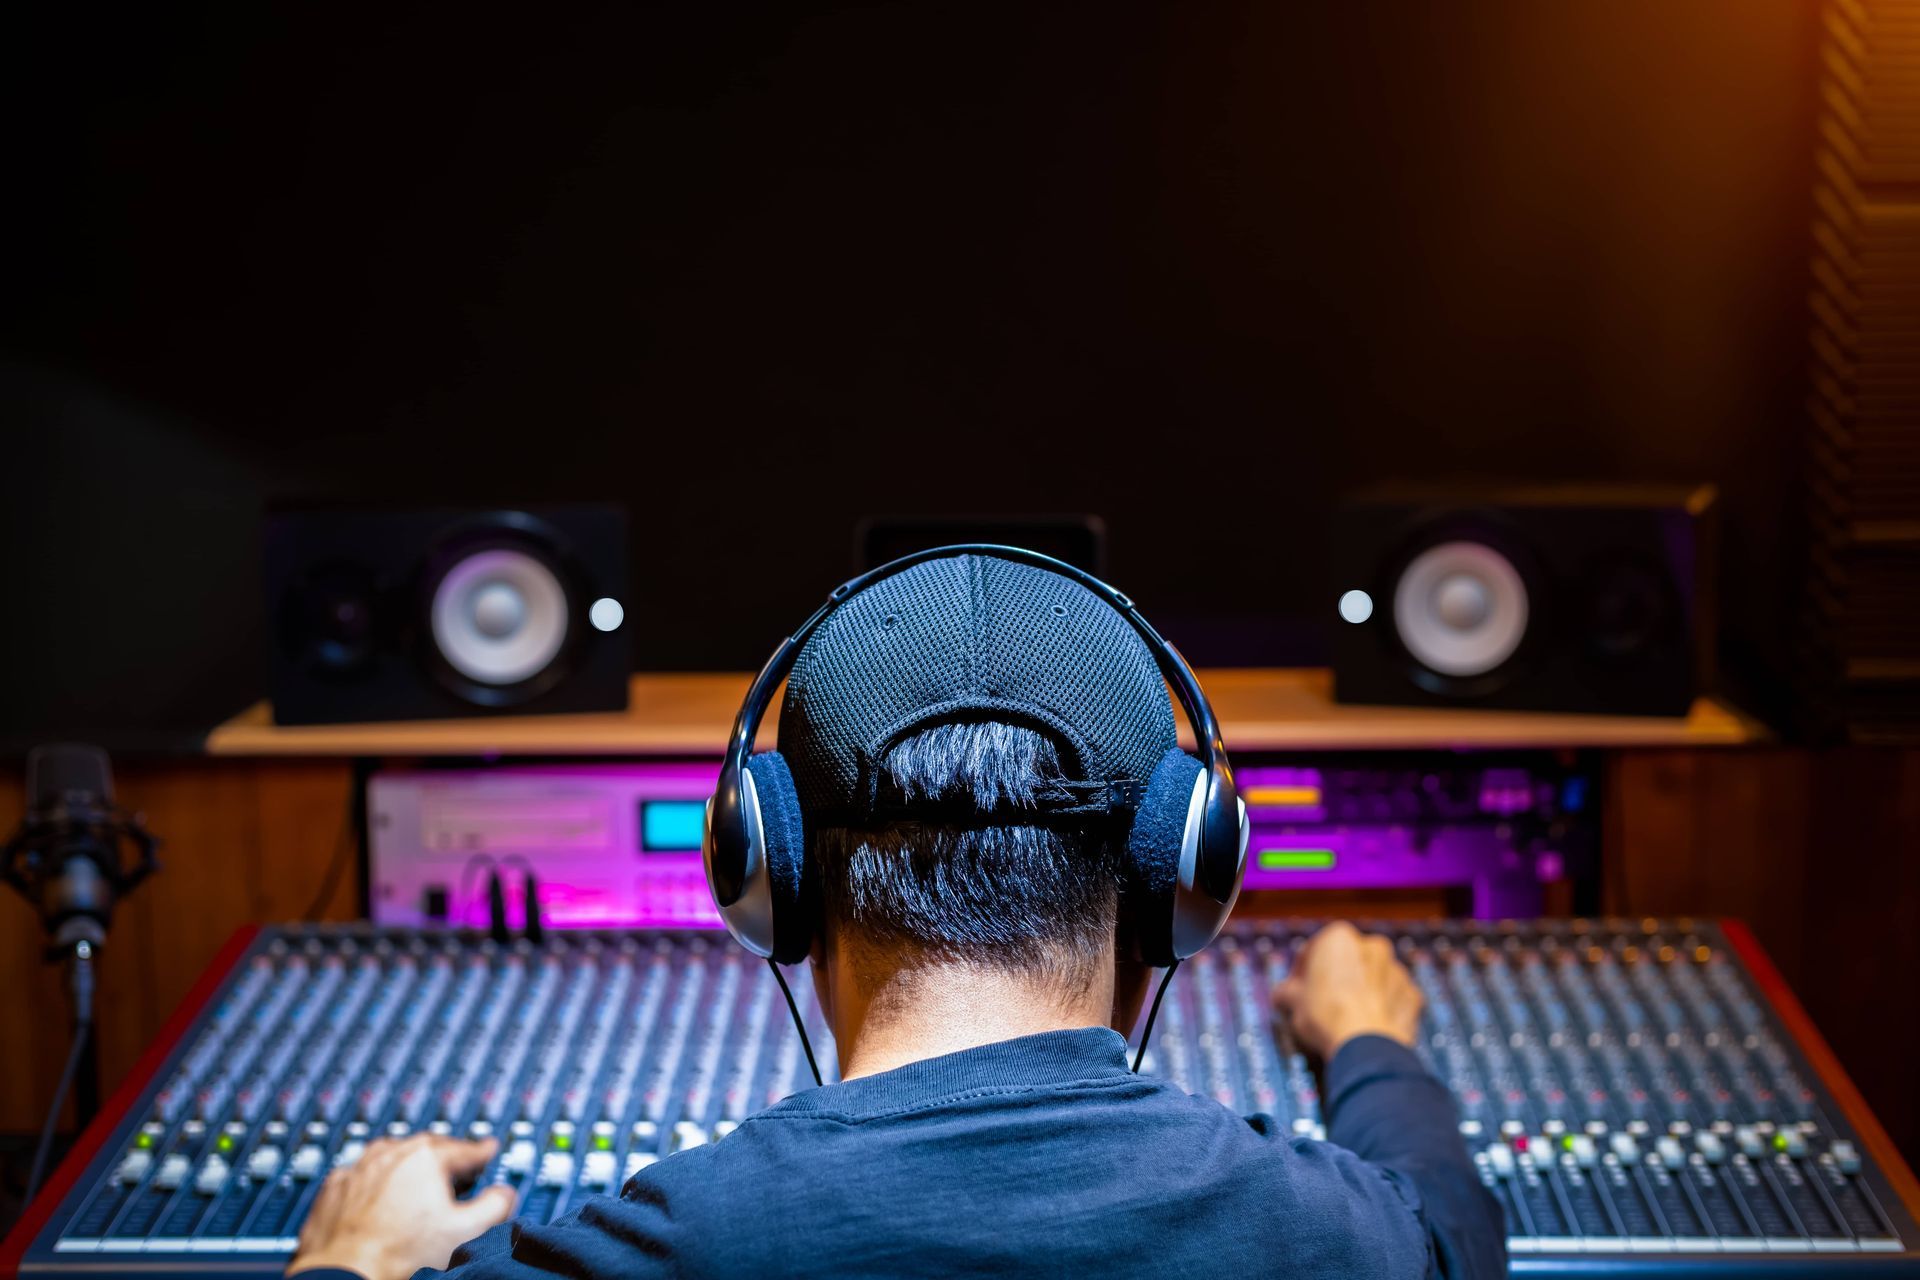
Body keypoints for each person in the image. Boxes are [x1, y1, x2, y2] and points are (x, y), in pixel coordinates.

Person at [288, 554, 1507, 1279]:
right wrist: (1370, 1039)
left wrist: (344, 1256)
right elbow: (1457, 1232)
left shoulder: (666, 1248)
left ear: (774, 885)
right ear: (1172, 888)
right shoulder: (1324, 1237)